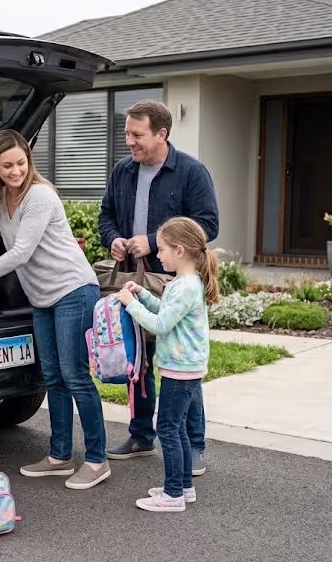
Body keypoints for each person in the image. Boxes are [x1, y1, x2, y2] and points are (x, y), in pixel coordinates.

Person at [0, 129, 110, 490]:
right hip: (42, 298)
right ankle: (59, 456)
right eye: (8, 166)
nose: (16, 172)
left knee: (75, 376)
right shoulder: (0, 199)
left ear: (30, 162)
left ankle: (97, 460)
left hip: (73, 290)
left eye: (21, 163)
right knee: (54, 377)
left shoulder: (39, 196)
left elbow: (20, 253)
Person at [98, 99, 219, 476]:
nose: (129, 142)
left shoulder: (191, 172)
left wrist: (152, 241)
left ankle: (193, 444)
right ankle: (141, 435)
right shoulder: (122, 170)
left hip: (171, 281)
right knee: (139, 361)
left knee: (181, 365)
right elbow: (106, 216)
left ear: (161, 134)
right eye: (127, 134)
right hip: (134, 281)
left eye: (137, 135)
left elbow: (208, 226)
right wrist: (114, 239)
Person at [116, 217, 219, 512]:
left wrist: (129, 304)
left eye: (161, 250)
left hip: (181, 368)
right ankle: (184, 486)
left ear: (179, 250)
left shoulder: (185, 286)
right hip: (183, 366)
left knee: (169, 429)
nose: (157, 255)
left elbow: (160, 325)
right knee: (179, 428)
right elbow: (166, 311)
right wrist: (143, 295)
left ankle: (172, 494)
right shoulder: (185, 283)